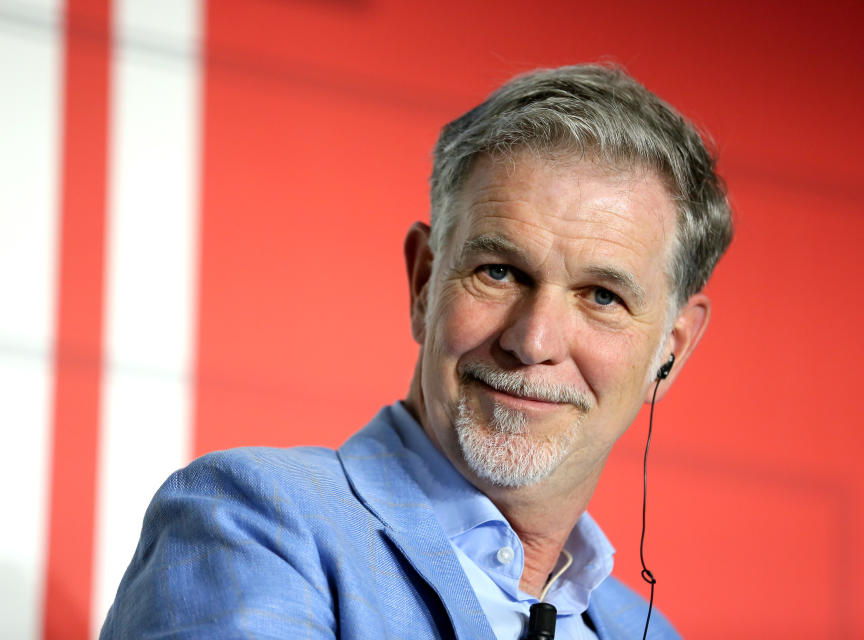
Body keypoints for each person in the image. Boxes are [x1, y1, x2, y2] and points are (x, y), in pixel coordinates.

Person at [100, 63, 733, 639]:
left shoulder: (646, 630)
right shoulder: (249, 523)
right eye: (499, 272)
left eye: (600, 296)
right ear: (424, 282)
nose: (533, 341)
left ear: (670, 348)